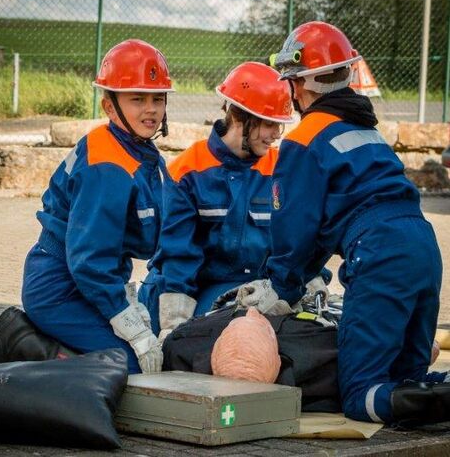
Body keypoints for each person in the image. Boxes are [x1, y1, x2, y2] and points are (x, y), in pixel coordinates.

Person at [240, 21, 450, 427]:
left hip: (379, 253)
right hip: (423, 246)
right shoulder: (366, 132)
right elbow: (332, 219)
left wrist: (281, 286)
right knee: (407, 377)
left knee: (361, 394)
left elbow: (295, 228)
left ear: (301, 84)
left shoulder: (303, 141)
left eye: (291, 82)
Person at [20, 39, 174, 374]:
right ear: (108, 106)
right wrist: (123, 316)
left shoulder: (137, 151)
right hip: (61, 289)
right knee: (132, 364)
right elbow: (89, 261)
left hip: (90, 284)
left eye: (158, 98)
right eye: (137, 99)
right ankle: (25, 349)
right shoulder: (107, 165)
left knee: (153, 353)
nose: (151, 109)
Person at [138, 62, 297, 340]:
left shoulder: (280, 170)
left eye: (279, 126)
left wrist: (310, 283)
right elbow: (179, 253)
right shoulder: (188, 170)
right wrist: (174, 326)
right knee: (201, 341)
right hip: (192, 286)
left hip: (250, 290)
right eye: (269, 123)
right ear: (240, 118)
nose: (276, 134)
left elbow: (296, 238)